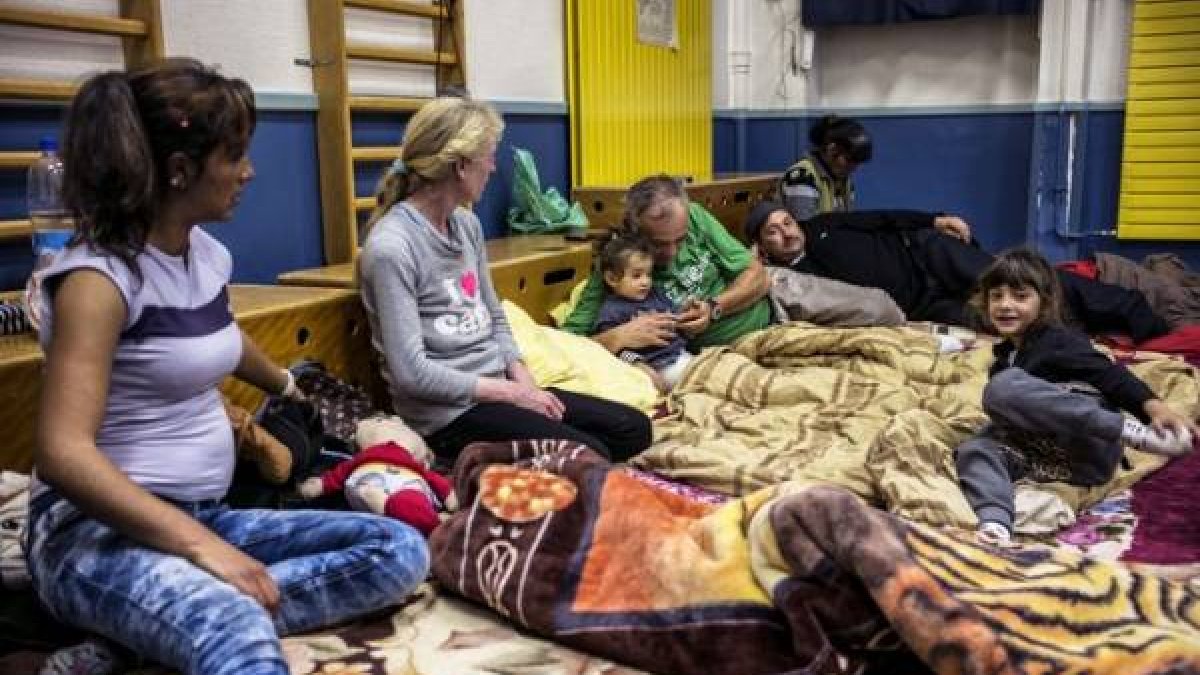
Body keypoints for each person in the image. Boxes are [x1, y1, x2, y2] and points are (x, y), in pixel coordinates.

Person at [28, 59, 428, 675]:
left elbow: (221, 338)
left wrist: (292, 387)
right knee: (234, 620)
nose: (249, 170)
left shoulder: (205, 256)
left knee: (398, 548)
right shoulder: (96, 280)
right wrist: (203, 549)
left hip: (202, 513)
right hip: (90, 534)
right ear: (182, 171)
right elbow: (63, 454)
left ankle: (136, 641)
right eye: (235, 155)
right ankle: (188, 616)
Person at [358, 97, 652, 469]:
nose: (493, 168)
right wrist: (509, 394)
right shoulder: (392, 247)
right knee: (590, 455)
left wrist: (524, 382)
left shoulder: (466, 225)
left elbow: (494, 316)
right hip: (449, 415)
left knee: (634, 429)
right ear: (462, 166)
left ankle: (507, 456)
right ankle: (460, 459)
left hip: (498, 391)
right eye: (489, 157)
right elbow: (410, 374)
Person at [954, 249, 1195, 543]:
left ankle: (1130, 432)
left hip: (1091, 444)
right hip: (1055, 459)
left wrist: (1154, 408)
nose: (1006, 305)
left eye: (1020, 296)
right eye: (997, 296)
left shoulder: (1058, 340)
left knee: (1002, 388)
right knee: (975, 448)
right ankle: (996, 523)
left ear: (1044, 303)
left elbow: (1109, 374)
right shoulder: (1003, 358)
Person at [744, 201, 1171, 342]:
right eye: (773, 232)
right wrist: (750, 267)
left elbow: (883, 218)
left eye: (787, 222)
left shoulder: (823, 225)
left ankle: (1134, 312)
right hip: (923, 305)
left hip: (927, 255)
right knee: (1001, 322)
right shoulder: (794, 284)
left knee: (1016, 284)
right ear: (763, 247)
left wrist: (934, 220)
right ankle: (1081, 341)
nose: (786, 231)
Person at [563, 175, 773, 355]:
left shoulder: (694, 216)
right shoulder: (619, 259)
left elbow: (759, 276)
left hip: (772, 319)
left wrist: (714, 307)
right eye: (658, 244)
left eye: (680, 240)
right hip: (718, 354)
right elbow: (565, 342)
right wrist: (617, 337)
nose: (672, 252)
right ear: (634, 230)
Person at [778, 115, 972, 242]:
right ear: (831, 150)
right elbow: (804, 232)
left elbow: (847, 221)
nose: (854, 168)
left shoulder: (842, 179)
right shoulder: (802, 178)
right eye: (851, 161)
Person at [592, 233, 694, 393]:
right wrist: (639, 366)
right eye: (636, 275)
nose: (645, 281)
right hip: (659, 369)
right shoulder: (612, 311)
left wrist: (686, 313)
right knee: (706, 377)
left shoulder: (654, 294)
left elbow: (675, 318)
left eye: (648, 274)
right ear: (612, 278)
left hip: (682, 355)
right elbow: (616, 351)